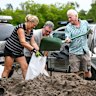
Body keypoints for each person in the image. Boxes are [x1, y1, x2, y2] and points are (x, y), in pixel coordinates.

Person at [2, 14, 40, 79]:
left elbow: (33, 42)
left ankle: (27, 84)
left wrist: (38, 51)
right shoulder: (20, 28)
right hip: (10, 49)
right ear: (30, 22)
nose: (34, 27)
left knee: (25, 67)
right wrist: (33, 50)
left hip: (18, 51)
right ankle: (2, 85)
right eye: (34, 25)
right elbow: (23, 42)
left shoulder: (31, 31)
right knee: (8, 69)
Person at [64, 9, 92, 79]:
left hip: (84, 51)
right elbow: (67, 36)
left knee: (87, 71)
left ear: (76, 16)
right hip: (74, 53)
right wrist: (68, 39)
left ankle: (85, 84)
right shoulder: (68, 27)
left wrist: (90, 31)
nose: (69, 19)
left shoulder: (85, 23)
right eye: (68, 17)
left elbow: (90, 30)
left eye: (70, 17)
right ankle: (75, 87)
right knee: (74, 73)